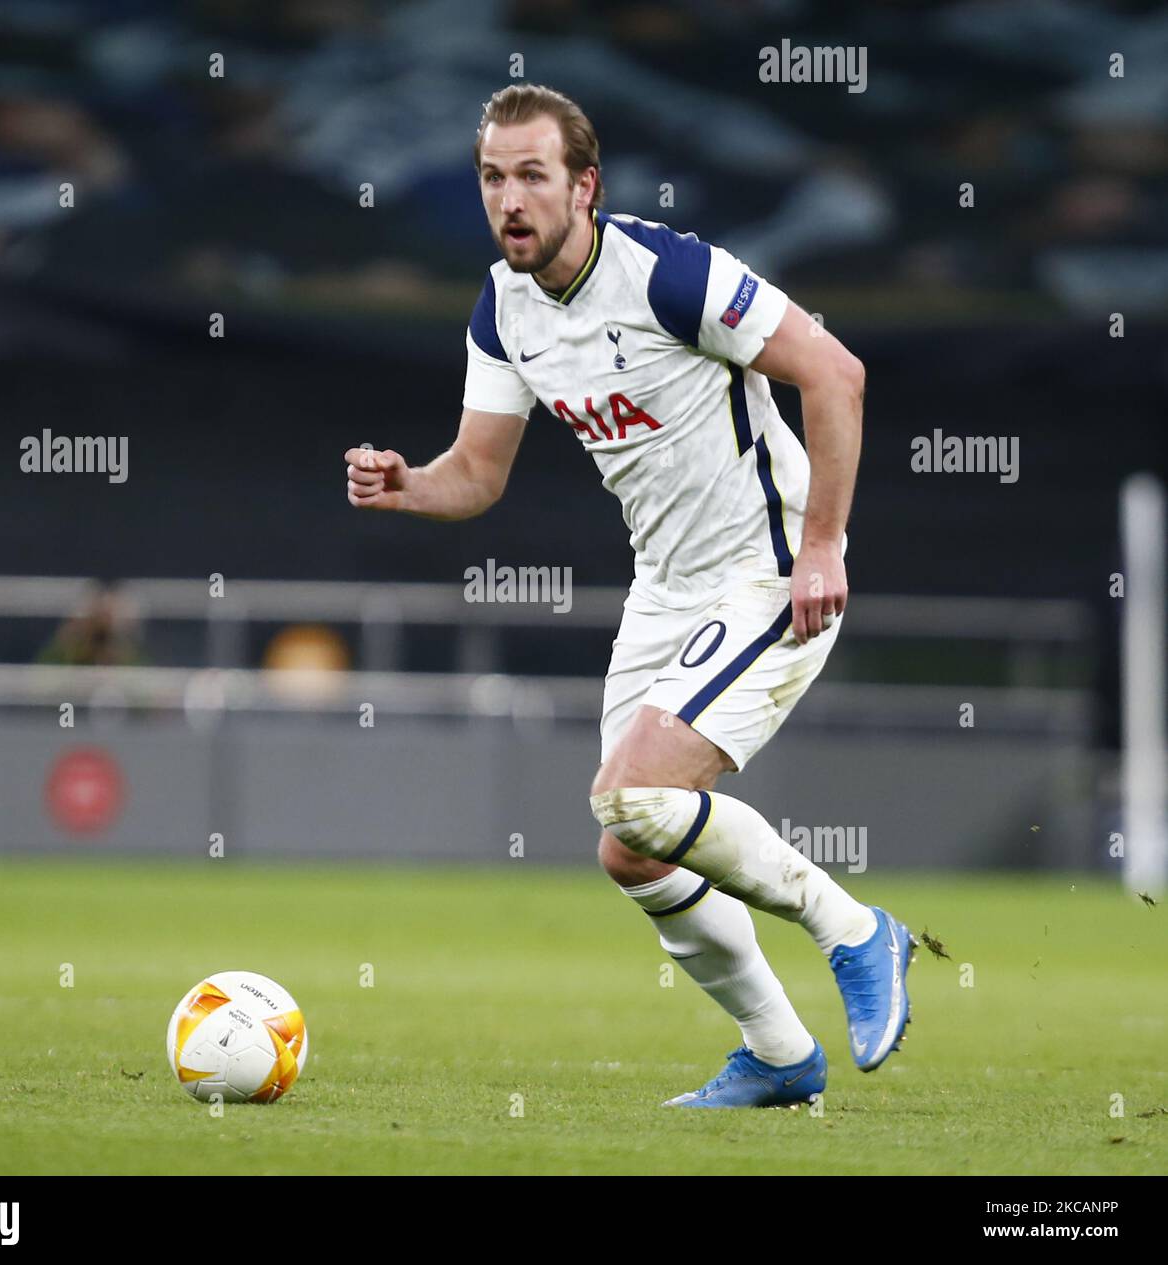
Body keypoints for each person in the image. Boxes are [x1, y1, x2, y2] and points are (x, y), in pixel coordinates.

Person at [344, 83, 915, 1109]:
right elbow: (476, 474)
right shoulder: (504, 308)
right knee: (631, 845)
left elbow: (836, 373)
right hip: (667, 588)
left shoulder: (666, 272)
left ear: (585, 186)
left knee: (633, 795)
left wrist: (821, 545)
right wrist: (407, 486)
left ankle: (856, 928)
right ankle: (781, 1054)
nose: (509, 199)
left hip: (767, 568)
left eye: (531, 175)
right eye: (491, 177)